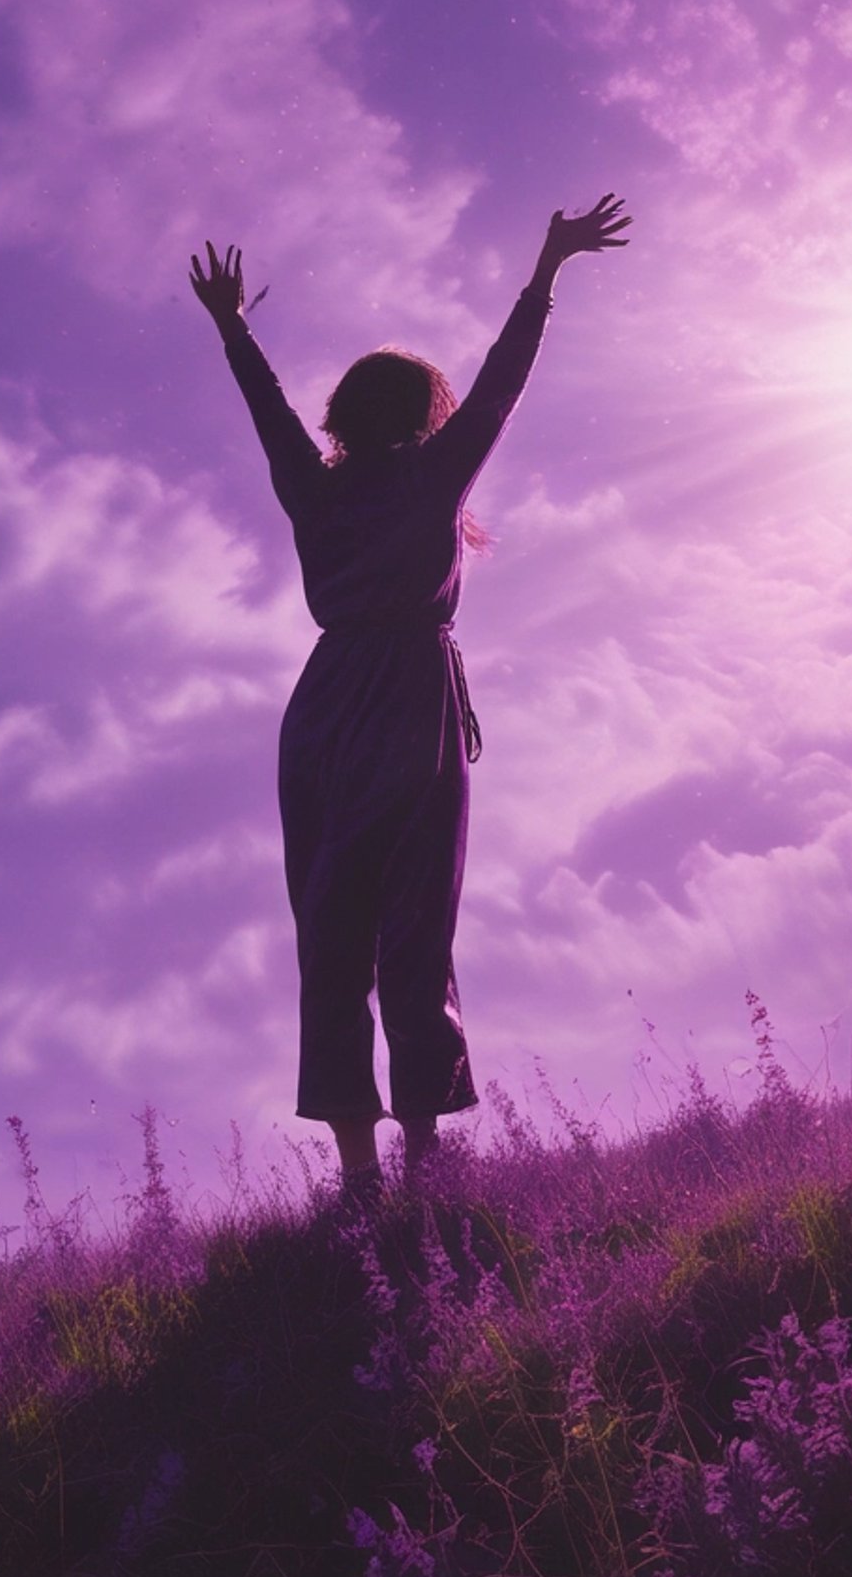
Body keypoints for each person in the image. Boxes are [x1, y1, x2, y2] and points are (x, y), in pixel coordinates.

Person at [189, 197, 631, 1201]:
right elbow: (503, 388)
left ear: (344, 415)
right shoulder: (434, 479)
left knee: (331, 931)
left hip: (323, 709)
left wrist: (232, 327)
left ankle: (358, 1178)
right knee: (415, 931)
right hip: (407, 700)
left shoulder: (315, 486)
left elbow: (268, 417)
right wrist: (548, 269)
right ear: (423, 413)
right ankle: (424, 1160)